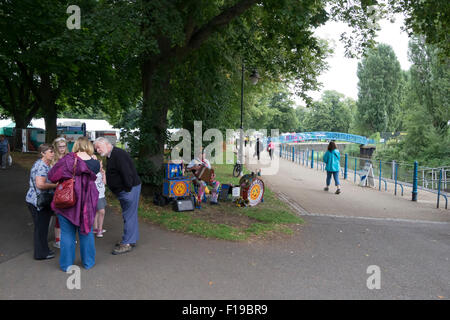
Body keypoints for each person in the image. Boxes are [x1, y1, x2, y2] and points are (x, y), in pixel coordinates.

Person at [48, 137, 99, 271]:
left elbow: (52, 176)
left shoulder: (67, 160)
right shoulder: (95, 163)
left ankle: (66, 265)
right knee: (86, 232)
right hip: (86, 203)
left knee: (67, 234)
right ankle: (88, 263)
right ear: (89, 146)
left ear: (75, 145)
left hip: (66, 201)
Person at [93, 137, 141, 255]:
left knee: (129, 215)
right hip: (126, 190)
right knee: (130, 215)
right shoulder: (111, 155)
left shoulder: (118, 154)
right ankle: (130, 239)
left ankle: (127, 243)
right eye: (96, 149)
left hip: (129, 190)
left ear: (106, 144)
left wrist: (127, 190)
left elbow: (127, 173)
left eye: (98, 147)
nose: (97, 150)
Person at [25, 143, 58, 260]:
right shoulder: (41, 166)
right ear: (43, 153)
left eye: (53, 151)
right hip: (38, 202)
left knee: (42, 228)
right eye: (50, 151)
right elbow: (40, 185)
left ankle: (43, 250)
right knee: (41, 228)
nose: (53, 153)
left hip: (38, 200)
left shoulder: (44, 164)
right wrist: (55, 185)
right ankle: (40, 254)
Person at [51, 137, 69, 249]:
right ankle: (58, 239)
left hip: (68, 189)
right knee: (59, 214)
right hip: (57, 189)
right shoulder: (53, 158)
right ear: (56, 147)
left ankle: (67, 237)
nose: (62, 148)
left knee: (68, 214)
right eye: (60, 146)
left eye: (64, 146)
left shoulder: (69, 156)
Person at [93, 155, 107, 238]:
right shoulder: (93, 173)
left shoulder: (101, 172)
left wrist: (104, 174)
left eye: (102, 164)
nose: (101, 166)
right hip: (96, 195)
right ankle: (99, 230)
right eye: (100, 165)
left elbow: (104, 183)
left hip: (102, 195)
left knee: (97, 212)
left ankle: (96, 228)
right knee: (102, 212)